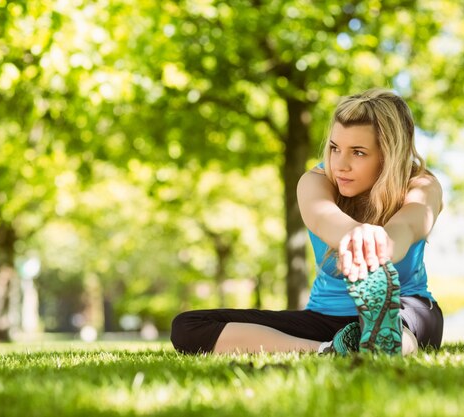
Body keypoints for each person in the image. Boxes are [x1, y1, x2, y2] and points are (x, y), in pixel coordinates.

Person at [170, 88, 444, 356]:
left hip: (406, 307)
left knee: (400, 323)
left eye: (358, 152)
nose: (340, 164)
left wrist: (379, 249)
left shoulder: (420, 186)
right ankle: (330, 350)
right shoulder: (315, 181)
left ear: (389, 155)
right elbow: (326, 219)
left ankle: (386, 340)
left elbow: (407, 227)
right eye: (335, 148)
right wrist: (355, 237)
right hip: (325, 318)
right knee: (188, 326)